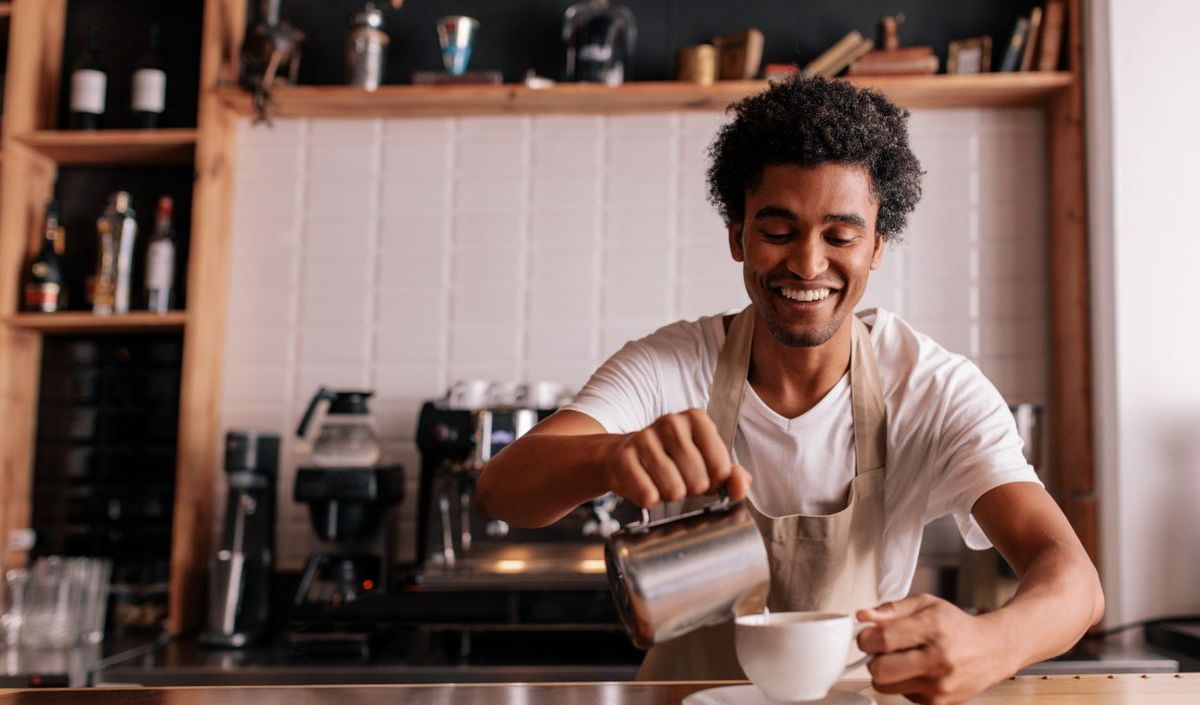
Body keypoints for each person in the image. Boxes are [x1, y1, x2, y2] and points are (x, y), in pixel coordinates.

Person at [476, 75, 1103, 705]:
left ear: (877, 246)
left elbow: (1072, 578)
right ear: (737, 237)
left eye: (840, 235)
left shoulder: (932, 388)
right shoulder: (671, 365)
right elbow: (504, 490)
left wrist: (994, 644)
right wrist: (610, 456)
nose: (807, 264)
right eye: (778, 231)